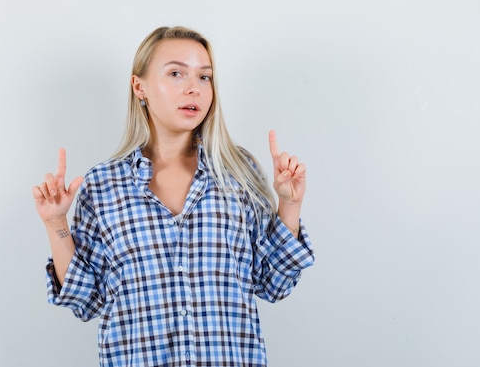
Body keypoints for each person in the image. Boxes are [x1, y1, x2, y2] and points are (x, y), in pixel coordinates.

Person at [32, 26, 315, 366]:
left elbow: (273, 284)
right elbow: (86, 300)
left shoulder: (238, 172)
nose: (194, 88)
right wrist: (55, 223)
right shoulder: (102, 185)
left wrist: (290, 204)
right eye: (176, 73)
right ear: (140, 87)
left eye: (204, 77)